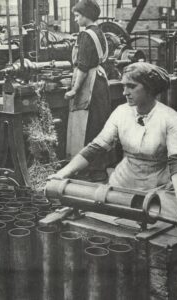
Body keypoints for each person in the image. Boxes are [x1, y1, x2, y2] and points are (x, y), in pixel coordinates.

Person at [51, 62, 177, 222]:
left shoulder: (170, 118)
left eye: (132, 87)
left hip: (157, 188)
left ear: (150, 88)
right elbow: (95, 148)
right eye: (124, 86)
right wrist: (62, 173)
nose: (125, 92)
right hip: (122, 185)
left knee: (161, 227)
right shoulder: (121, 112)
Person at [65, 0, 111, 181]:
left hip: (89, 84)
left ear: (86, 16)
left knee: (87, 127)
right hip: (100, 81)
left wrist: (74, 90)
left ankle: (87, 170)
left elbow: (83, 67)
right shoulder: (100, 33)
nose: (76, 19)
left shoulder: (85, 36)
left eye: (77, 16)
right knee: (99, 124)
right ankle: (99, 168)